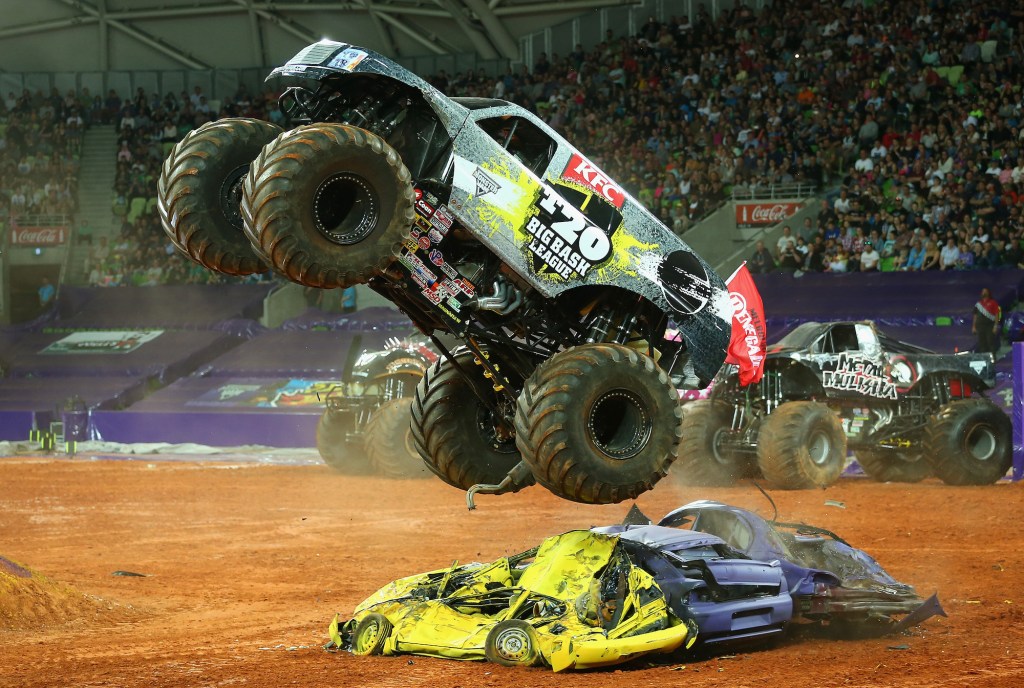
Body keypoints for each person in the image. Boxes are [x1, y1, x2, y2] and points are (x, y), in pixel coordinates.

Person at [972, 288, 1000, 355]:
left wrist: (995, 326)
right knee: (982, 343)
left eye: (985, 291)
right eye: (983, 292)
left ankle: (992, 359)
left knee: (990, 342)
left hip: (989, 326)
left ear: (989, 293)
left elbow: (997, 314)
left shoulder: (993, 303)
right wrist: (974, 326)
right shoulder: (978, 304)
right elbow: (975, 316)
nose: (984, 293)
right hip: (980, 326)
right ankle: (984, 360)